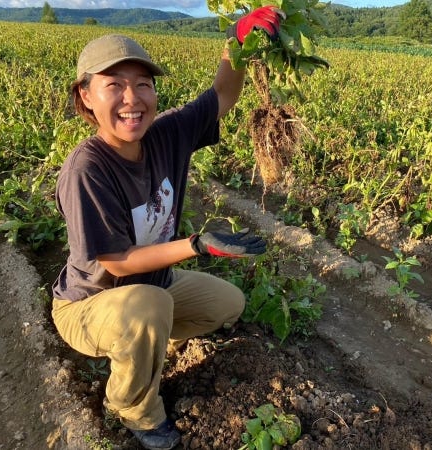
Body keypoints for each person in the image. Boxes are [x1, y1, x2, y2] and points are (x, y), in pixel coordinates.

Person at [51, 7, 283, 450]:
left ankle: (148, 344)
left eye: (143, 84)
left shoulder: (166, 134)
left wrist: (237, 43)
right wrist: (196, 244)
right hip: (90, 304)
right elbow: (118, 262)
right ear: (86, 96)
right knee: (149, 305)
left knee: (227, 303)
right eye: (114, 86)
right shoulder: (87, 169)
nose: (131, 98)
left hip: (154, 286)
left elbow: (223, 94)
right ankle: (132, 406)